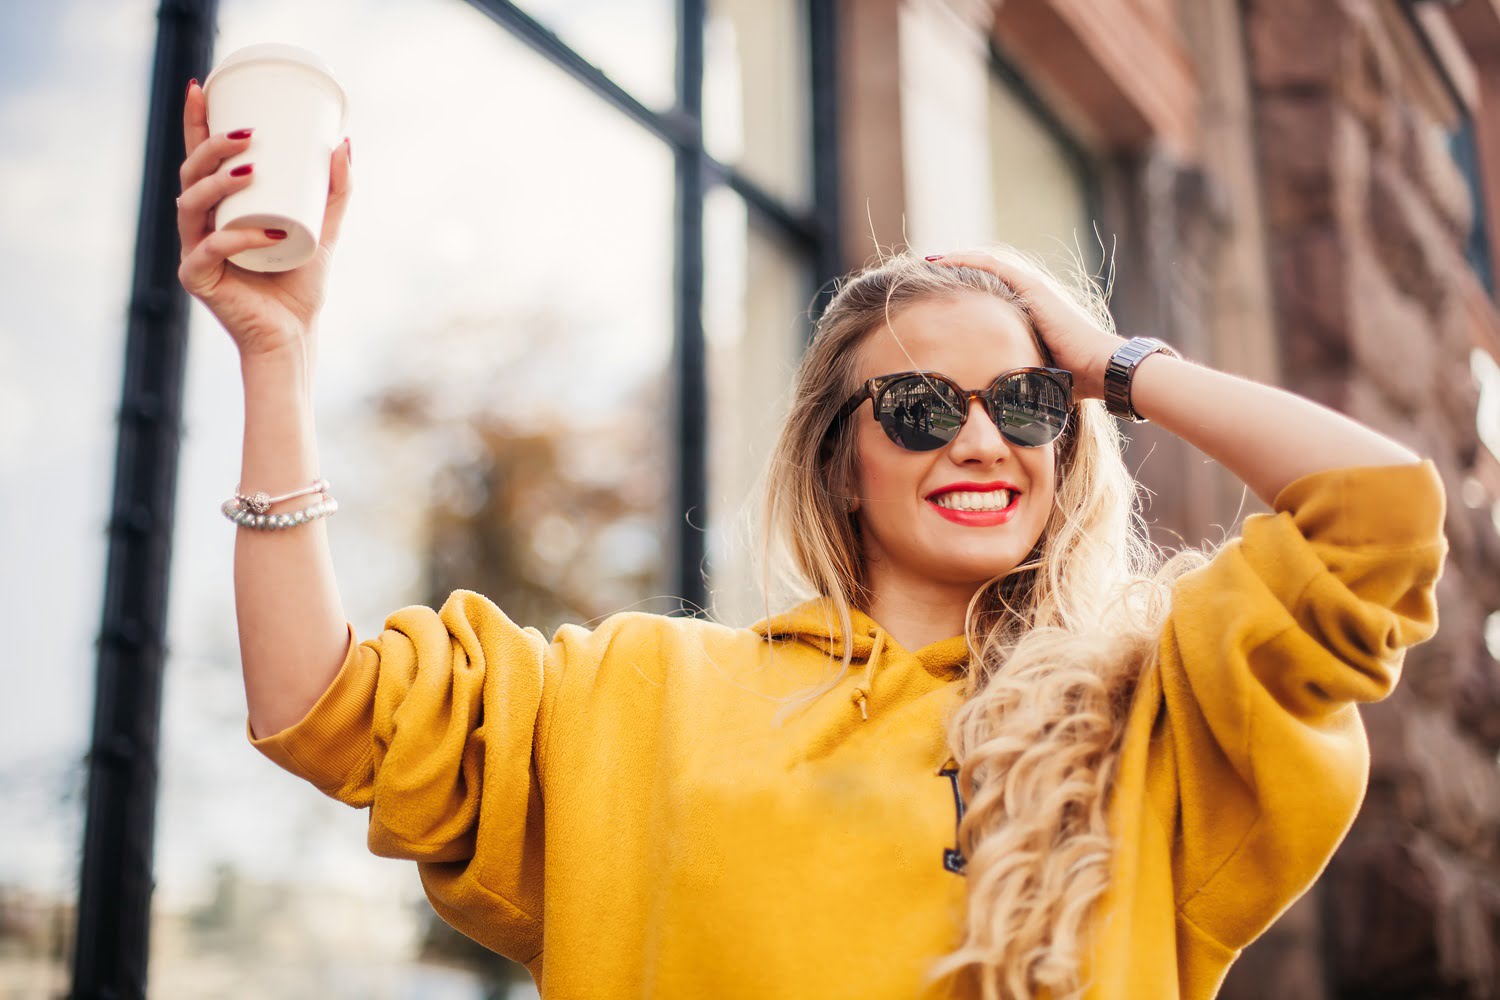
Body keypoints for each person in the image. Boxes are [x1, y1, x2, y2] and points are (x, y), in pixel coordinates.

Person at [176, 79, 1449, 1000]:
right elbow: (321, 701)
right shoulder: (639, 696)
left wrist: (1117, 364)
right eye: (916, 407)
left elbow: (1379, 512)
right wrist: (276, 361)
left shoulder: (1161, 713)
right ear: (840, 458)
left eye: (1023, 401)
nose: (979, 442)